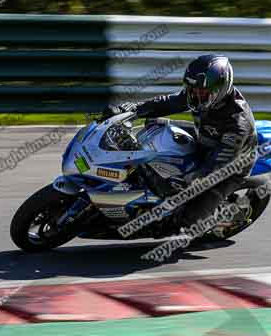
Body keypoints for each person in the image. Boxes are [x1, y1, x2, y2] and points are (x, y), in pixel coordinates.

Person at [102, 54, 257, 235]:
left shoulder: (238, 122)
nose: (196, 96)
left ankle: (220, 216)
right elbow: (168, 102)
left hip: (231, 166)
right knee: (153, 131)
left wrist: (194, 180)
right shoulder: (200, 96)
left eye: (202, 93)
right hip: (204, 140)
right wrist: (133, 109)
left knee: (185, 224)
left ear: (220, 89)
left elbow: (219, 163)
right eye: (192, 90)